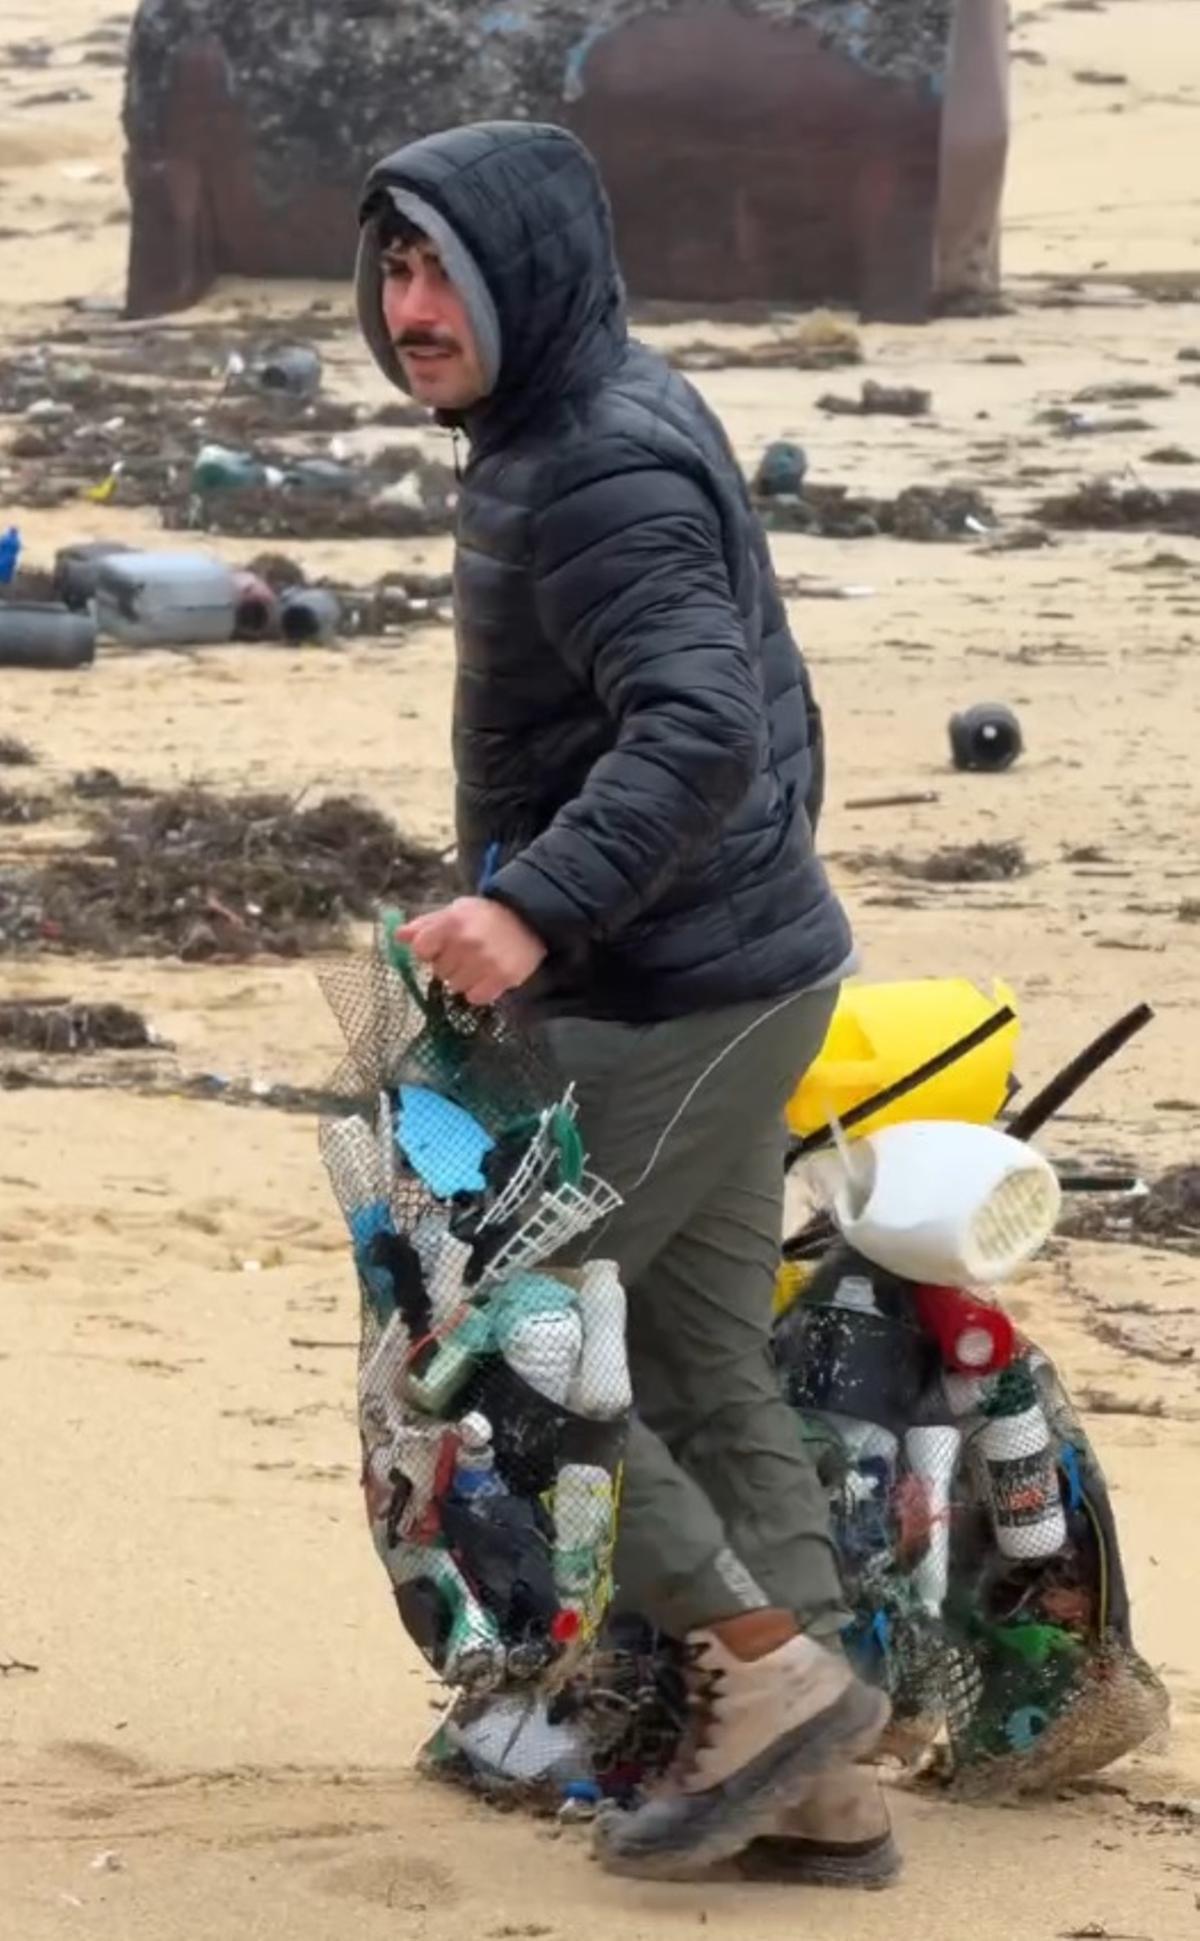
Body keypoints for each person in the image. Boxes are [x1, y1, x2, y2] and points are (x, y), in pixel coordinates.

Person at [355, 119, 895, 1885]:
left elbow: (701, 726)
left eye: (443, 268)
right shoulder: (566, 424)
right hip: (742, 964)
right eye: (394, 267)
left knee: (512, 1358)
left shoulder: (597, 464)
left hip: (677, 989)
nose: (410, 305)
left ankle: (770, 1676)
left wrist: (529, 902)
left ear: (533, 273)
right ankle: (823, 1788)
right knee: (696, 1359)